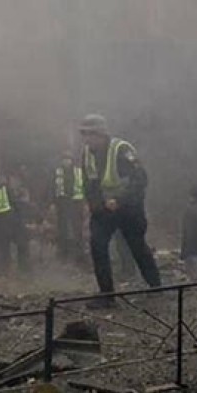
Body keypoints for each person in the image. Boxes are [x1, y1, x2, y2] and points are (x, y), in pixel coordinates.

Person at [79, 114, 161, 305]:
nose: (87, 139)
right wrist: (93, 204)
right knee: (97, 246)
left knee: (137, 246)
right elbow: (89, 183)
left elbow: (140, 180)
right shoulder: (86, 154)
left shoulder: (121, 150)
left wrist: (120, 200)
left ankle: (156, 287)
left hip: (129, 208)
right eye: (84, 134)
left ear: (101, 134)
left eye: (91, 134)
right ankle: (107, 295)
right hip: (104, 210)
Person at [51, 152, 85, 261]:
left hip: (76, 203)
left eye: (68, 159)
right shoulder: (57, 172)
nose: (66, 161)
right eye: (64, 159)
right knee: (62, 229)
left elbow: (86, 186)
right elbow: (51, 188)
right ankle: (63, 253)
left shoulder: (79, 172)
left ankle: (80, 254)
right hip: (62, 203)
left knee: (77, 229)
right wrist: (51, 202)